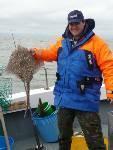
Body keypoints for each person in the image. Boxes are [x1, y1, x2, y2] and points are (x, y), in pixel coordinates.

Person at [30, 10, 113, 150]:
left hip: (86, 100)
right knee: (63, 137)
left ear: (84, 22)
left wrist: (111, 90)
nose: (73, 26)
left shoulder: (97, 43)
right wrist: (37, 53)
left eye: (76, 23)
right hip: (64, 99)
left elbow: (109, 66)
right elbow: (50, 53)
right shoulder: (62, 42)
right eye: (71, 24)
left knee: (94, 141)